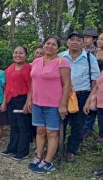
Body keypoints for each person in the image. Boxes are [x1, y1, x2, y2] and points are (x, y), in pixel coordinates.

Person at [28, 35, 71, 174]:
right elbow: (32, 82)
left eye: (54, 44)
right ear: (43, 44)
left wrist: (63, 104)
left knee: (52, 133)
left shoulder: (62, 62)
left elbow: (66, 85)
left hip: (53, 104)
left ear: (58, 48)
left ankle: (48, 162)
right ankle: (38, 157)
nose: (50, 46)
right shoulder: (36, 61)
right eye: (48, 43)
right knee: (40, 131)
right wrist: (29, 99)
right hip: (37, 103)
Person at [59, 31, 100, 162]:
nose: (75, 42)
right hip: (62, 95)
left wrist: (88, 101)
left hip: (82, 95)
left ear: (83, 43)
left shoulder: (89, 58)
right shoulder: (60, 57)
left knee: (78, 125)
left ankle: (71, 150)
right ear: (67, 43)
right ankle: (58, 148)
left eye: (78, 40)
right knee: (60, 122)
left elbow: (95, 81)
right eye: (72, 39)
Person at [1, 46, 32, 161]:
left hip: (22, 99)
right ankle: (12, 148)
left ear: (26, 56)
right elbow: (7, 87)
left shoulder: (28, 68)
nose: (18, 55)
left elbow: (31, 87)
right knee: (13, 126)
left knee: (23, 126)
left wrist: (28, 102)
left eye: (21, 53)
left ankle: (23, 152)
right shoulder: (10, 67)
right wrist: (4, 102)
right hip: (11, 100)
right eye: (15, 53)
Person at [84, 31, 103, 138]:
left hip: (101, 83)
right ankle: (87, 129)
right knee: (91, 105)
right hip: (92, 80)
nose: (100, 41)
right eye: (99, 39)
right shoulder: (94, 52)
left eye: (102, 39)